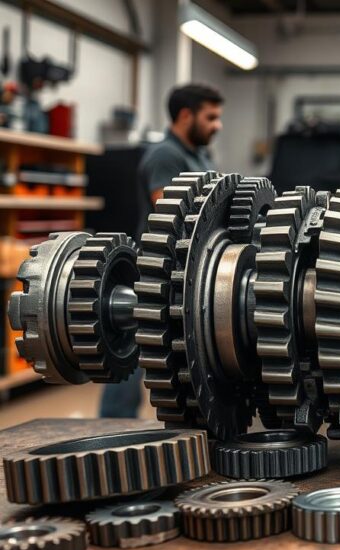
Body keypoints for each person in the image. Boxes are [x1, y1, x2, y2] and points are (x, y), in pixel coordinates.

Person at [99, 84, 223, 417]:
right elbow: (171, 213)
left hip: (187, 265)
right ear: (186, 115)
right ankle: (112, 426)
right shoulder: (164, 155)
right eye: (211, 117)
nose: (217, 125)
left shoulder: (198, 155)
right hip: (158, 267)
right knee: (135, 345)